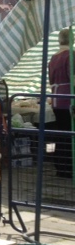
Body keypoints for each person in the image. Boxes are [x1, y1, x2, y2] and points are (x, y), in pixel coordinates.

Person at [48, 28, 74, 179]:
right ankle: (68, 167)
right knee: (69, 135)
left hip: (56, 98)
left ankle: (60, 167)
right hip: (68, 99)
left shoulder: (53, 58)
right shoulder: (71, 55)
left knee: (61, 133)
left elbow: (51, 80)